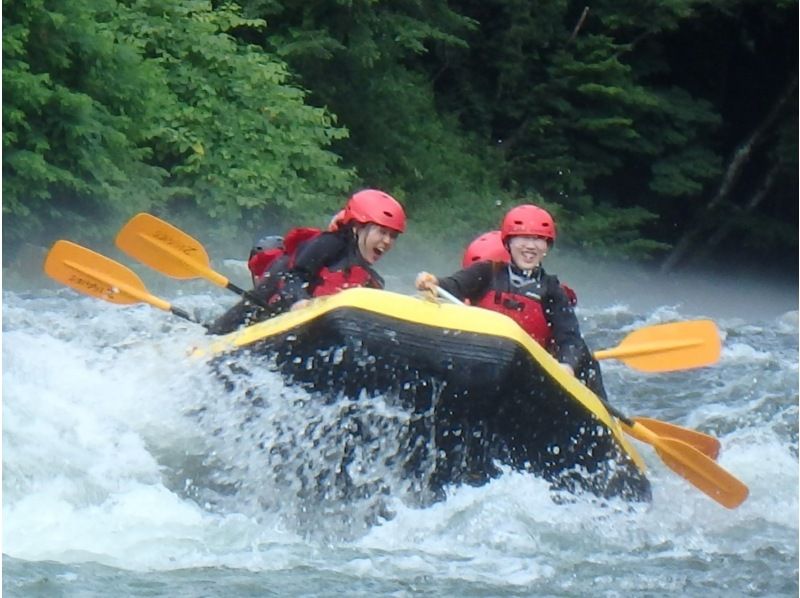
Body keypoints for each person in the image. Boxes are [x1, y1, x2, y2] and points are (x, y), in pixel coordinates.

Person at [416, 204, 607, 400]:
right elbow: (453, 285)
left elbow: (569, 337)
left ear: (547, 246)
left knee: (584, 355)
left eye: (539, 239)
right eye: (524, 238)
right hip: (480, 365)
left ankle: (606, 418)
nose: (531, 246)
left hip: (528, 376)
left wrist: (567, 365)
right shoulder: (486, 272)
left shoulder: (552, 291)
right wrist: (433, 282)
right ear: (509, 243)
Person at [208, 189, 406, 335]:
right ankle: (213, 332)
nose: (387, 241)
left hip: (312, 334)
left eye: (393, 236)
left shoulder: (371, 281)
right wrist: (299, 301)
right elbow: (289, 277)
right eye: (381, 232)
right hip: (271, 319)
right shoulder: (329, 244)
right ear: (357, 227)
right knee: (262, 293)